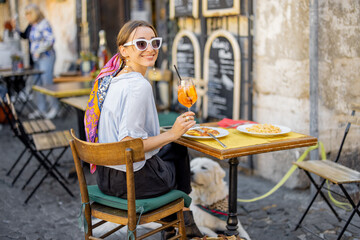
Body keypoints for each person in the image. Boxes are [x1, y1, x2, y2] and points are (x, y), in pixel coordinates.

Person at [84, 20, 203, 239]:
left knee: (174, 148)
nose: (150, 49)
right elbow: (129, 143)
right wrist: (173, 133)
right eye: (140, 44)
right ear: (124, 50)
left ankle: (176, 223)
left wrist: (169, 136)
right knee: (178, 147)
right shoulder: (138, 85)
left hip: (105, 178)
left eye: (154, 42)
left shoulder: (110, 79)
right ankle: (183, 218)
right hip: (131, 185)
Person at [20, 4, 58, 119]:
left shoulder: (44, 24)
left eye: (28, 14)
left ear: (34, 13)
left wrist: (39, 50)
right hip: (36, 60)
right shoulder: (33, 25)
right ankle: (41, 109)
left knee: (47, 83)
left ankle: (54, 109)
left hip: (46, 58)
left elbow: (51, 40)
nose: (27, 17)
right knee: (37, 85)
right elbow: (25, 36)